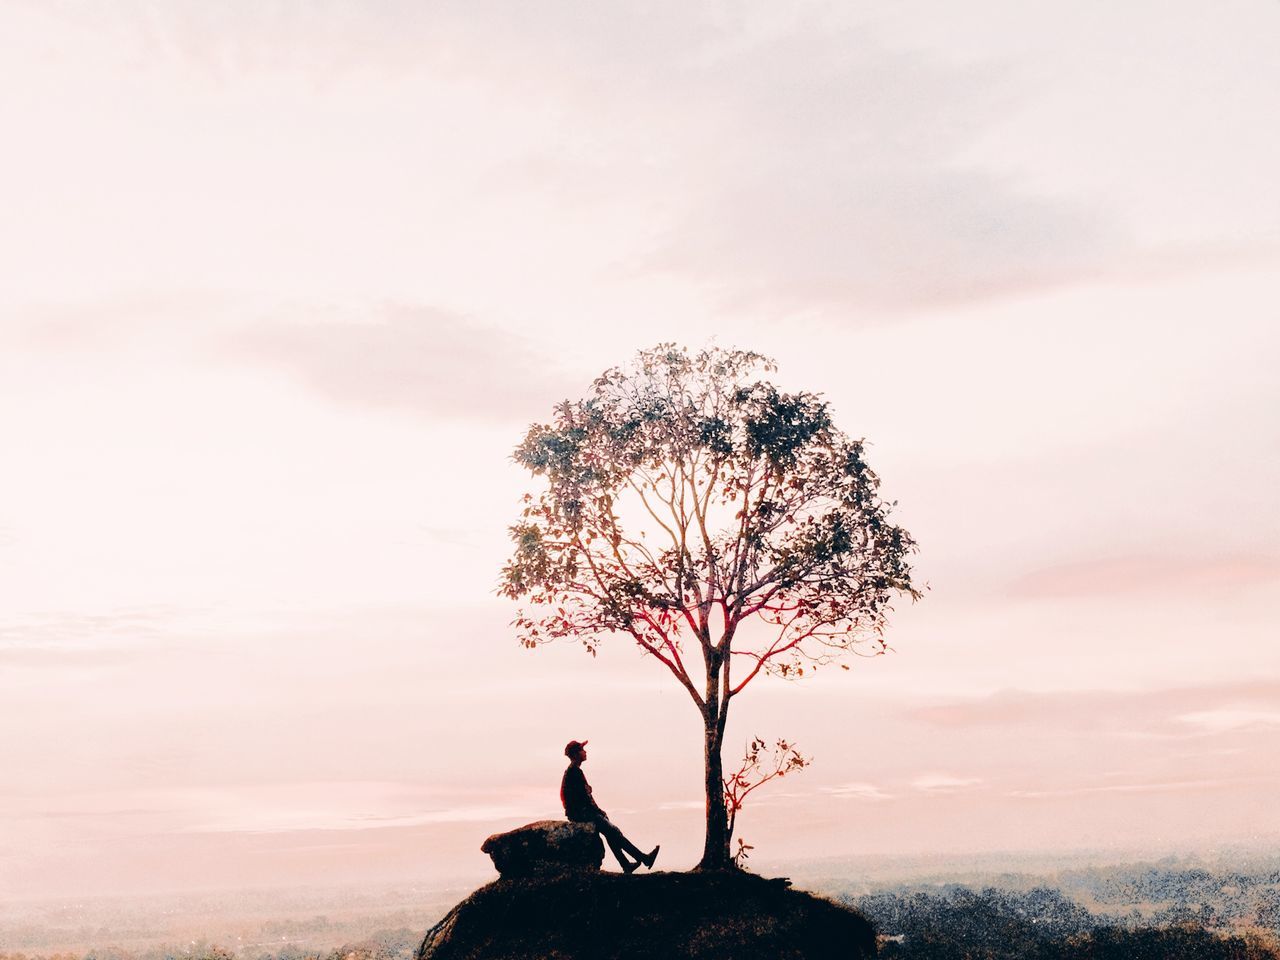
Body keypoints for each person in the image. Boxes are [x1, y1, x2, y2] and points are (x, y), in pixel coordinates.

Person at [560, 739, 659, 874]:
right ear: (576, 754)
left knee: (612, 832)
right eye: (582, 750)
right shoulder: (574, 772)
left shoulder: (573, 771)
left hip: (580, 812)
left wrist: (599, 811)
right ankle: (643, 859)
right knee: (613, 832)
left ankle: (626, 864)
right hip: (581, 814)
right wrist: (598, 812)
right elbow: (585, 798)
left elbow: (584, 797)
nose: (585, 751)